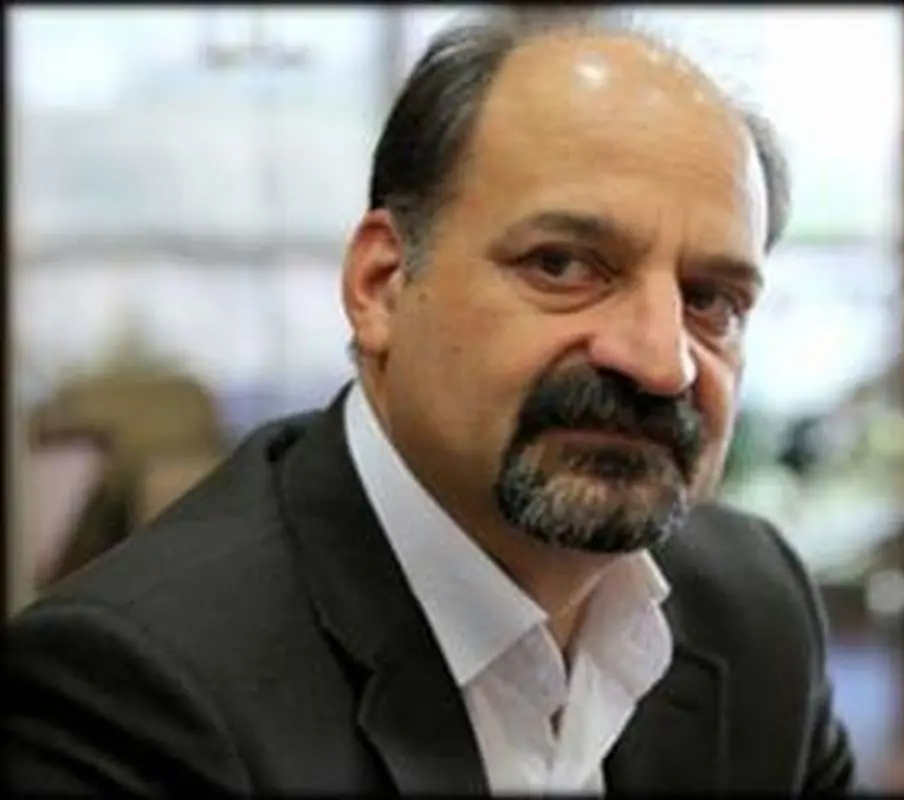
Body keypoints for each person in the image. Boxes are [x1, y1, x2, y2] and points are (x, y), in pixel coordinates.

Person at [7, 9, 856, 795]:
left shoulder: (754, 605)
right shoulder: (133, 690)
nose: (661, 362)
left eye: (711, 301)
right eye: (563, 266)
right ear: (381, 285)